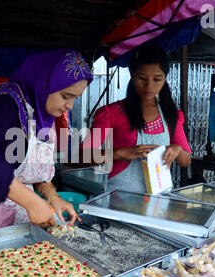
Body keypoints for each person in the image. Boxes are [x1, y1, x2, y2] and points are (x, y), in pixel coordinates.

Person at [0, 49, 93, 243]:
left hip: (16, 218)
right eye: (66, 96)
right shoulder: (4, 103)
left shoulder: (44, 118)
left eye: (75, 98)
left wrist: (52, 197)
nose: (70, 106)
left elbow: (32, 170)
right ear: (44, 83)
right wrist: (31, 201)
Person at [81, 45, 191, 193]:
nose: (149, 86)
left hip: (159, 200)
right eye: (141, 78)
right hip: (118, 199)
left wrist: (177, 150)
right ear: (132, 75)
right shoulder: (111, 113)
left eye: (157, 79)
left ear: (165, 79)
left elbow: (186, 161)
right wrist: (117, 153)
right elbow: (81, 157)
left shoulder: (171, 115)